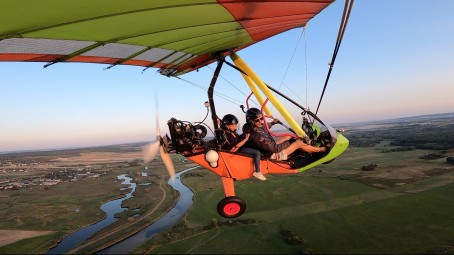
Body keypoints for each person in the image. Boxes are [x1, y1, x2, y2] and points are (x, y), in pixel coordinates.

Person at [245, 108, 328, 161]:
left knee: (288, 136)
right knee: (298, 143)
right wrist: (291, 142)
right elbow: (275, 149)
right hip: (272, 155)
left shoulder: (256, 127)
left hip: (268, 150)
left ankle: (308, 147)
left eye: (262, 118)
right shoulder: (256, 135)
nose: (261, 121)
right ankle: (322, 150)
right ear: (251, 122)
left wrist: (273, 123)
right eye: (257, 120)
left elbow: (265, 127)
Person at [220, 114, 267, 181]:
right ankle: (257, 172)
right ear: (226, 126)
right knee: (256, 153)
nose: (235, 126)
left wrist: (246, 134)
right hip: (239, 149)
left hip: (241, 147)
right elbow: (237, 145)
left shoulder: (232, 132)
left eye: (235, 124)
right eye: (232, 125)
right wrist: (246, 139)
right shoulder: (228, 134)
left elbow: (238, 138)